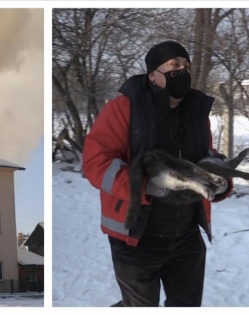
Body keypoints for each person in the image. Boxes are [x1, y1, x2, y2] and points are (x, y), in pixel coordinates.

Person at [82, 40, 233, 307]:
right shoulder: (123, 108)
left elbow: (207, 157)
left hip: (186, 236)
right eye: (174, 65)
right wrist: (145, 184)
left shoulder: (197, 113)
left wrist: (220, 178)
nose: (182, 71)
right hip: (136, 238)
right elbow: (96, 162)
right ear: (153, 74)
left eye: (186, 66)